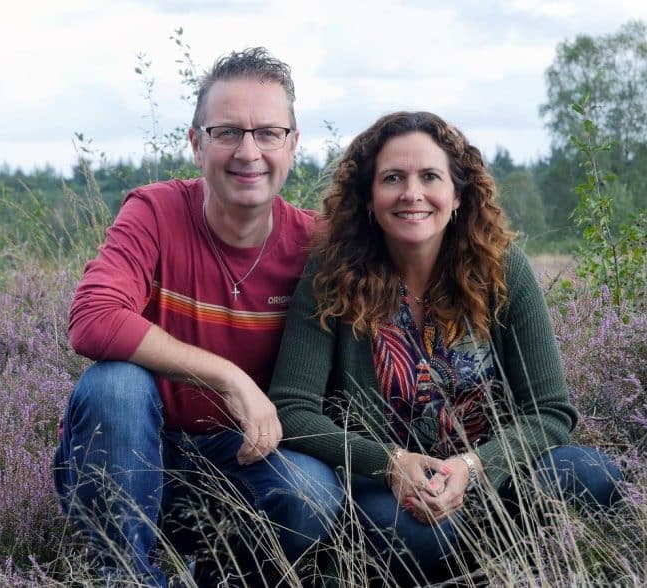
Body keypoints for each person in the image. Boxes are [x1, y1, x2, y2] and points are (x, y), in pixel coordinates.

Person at [268, 111, 623, 585]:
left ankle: (506, 568)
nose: (412, 193)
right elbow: (292, 409)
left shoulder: (502, 270)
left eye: (430, 177)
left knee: (591, 473)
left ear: (457, 196)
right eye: (393, 178)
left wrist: (473, 468)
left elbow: (551, 411)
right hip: (385, 489)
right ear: (369, 198)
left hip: (492, 476)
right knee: (418, 536)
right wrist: (391, 464)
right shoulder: (332, 274)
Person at [52, 47, 343, 587]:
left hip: (245, 462)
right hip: (137, 453)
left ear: (293, 145)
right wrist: (227, 376)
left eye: (268, 133)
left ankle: (222, 574)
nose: (248, 151)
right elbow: (92, 318)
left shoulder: (317, 246)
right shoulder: (155, 211)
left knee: (312, 491)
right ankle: (126, 577)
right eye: (226, 132)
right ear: (195, 143)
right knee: (113, 386)